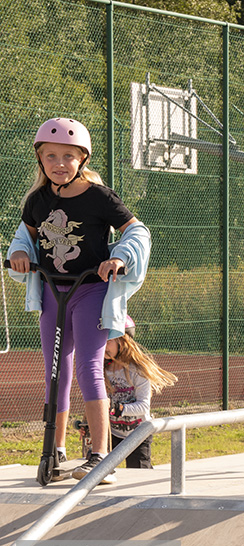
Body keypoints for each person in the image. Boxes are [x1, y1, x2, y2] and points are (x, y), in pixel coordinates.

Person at [7, 117, 151, 483]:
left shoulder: (99, 197)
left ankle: (100, 455)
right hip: (53, 291)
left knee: (89, 367)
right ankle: (55, 449)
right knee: (56, 372)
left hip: (90, 289)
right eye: (50, 156)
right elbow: (24, 238)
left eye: (68, 156)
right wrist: (21, 254)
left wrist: (121, 258)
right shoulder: (37, 201)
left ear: (82, 160)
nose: (59, 163)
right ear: (40, 160)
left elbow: (136, 230)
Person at [105, 316, 177, 468]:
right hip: (114, 433)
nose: (103, 345)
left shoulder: (137, 370)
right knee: (101, 471)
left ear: (122, 341)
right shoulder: (103, 370)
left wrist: (120, 409)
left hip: (138, 433)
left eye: (108, 341)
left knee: (138, 471)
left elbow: (144, 406)